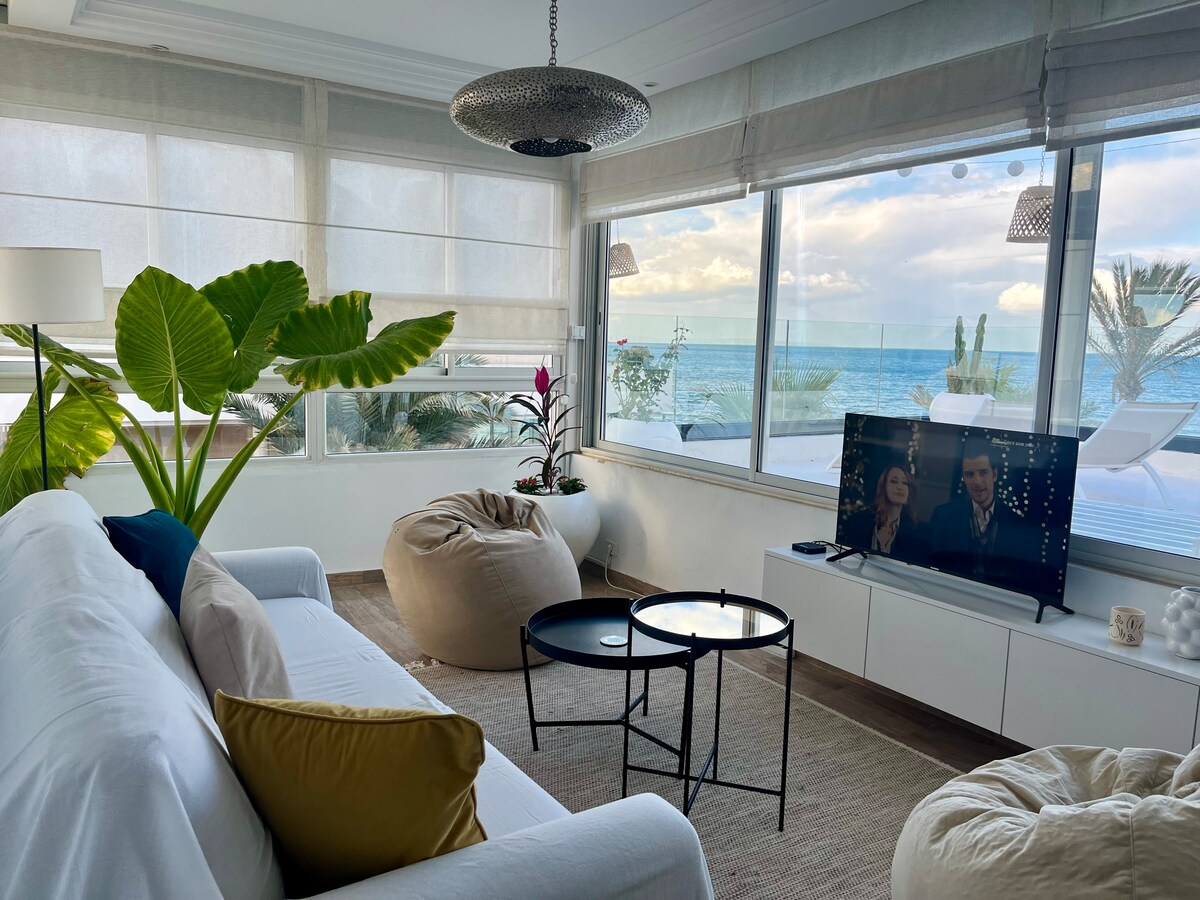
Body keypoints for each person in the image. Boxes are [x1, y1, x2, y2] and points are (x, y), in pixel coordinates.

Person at [928, 438, 1036, 584]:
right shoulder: (943, 516)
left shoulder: (1016, 523)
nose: (977, 482)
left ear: (995, 474)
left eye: (983, 472)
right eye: (969, 474)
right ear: (963, 477)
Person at [840, 464, 928, 563]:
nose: (900, 487)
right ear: (883, 487)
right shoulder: (859, 521)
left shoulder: (913, 531)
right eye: (894, 481)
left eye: (904, 483)